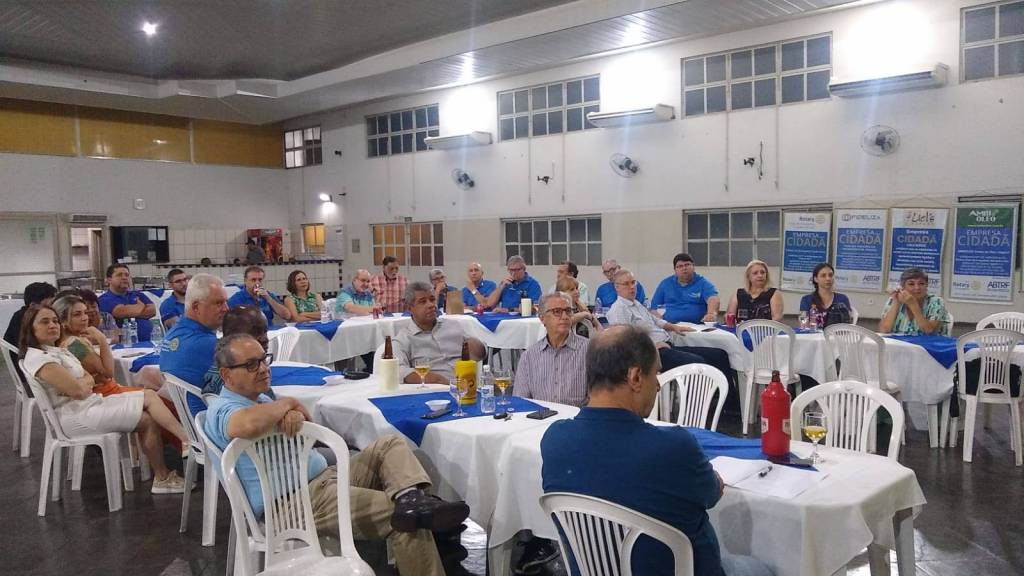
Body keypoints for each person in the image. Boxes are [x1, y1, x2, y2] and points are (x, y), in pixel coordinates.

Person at [205, 333, 469, 576]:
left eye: (264, 360)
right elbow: (245, 425)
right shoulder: (222, 408)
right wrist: (288, 403)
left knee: (389, 445)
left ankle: (413, 499)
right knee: (404, 517)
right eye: (251, 365)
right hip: (292, 503)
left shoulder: (261, 400)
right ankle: (426, 525)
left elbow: (309, 427)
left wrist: (292, 410)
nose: (263, 368)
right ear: (227, 375)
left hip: (324, 480)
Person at [541, 326, 773, 576]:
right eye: (656, 374)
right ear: (635, 377)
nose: (659, 386)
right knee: (760, 568)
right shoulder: (674, 447)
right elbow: (712, 493)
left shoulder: (554, 440)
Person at [19, 304, 189, 494]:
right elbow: (98, 378)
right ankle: (171, 463)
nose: (53, 325)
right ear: (31, 328)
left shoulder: (57, 350)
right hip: (80, 413)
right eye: (45, 322)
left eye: (54, 321)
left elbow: (88, 379)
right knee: (151, 409)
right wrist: (100, 343)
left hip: (90, 402)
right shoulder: (56, 353)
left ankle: (181, 447)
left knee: (150, 396)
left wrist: (84, 382)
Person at [607, 269, 733, 378]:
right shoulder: (618, 309)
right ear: (617, 287)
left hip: (667, 345)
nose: (632, 287)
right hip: (652, 354)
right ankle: (699, 399)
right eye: (626, 284)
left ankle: (727, 399)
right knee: (698, 363)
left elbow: (656, 320)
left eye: (633, 282)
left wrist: (674, 327)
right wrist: (652, 346)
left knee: (719, 355)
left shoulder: (636, 304)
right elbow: (625, 342)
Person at [160, 273, 229, 415]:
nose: (226, 309)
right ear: (196, 307)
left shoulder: (172, 334)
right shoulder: (209, 345)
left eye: (225, 302)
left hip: (185, 416)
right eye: (219, 303)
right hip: (209, 420)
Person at [52, 294, 143, 398]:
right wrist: (102, 339)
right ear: (62, 321)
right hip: (103, 393)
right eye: (77, 315)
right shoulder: (74, 344)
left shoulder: (66, 341)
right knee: (154, 395)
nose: (85, 318)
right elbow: (108, 373)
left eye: (85, 313)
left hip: (102, 391)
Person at [394, 282, 485, 383]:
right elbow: (397, 371)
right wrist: (436, 379)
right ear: (409, 308)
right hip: (434, 389)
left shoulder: (453, 325)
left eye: (432, 300)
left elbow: (480, 353)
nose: (430, 305)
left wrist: (477, 347)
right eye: (422, 302)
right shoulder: (404, 338)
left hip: (467, 384)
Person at [514, 293, 590, 406]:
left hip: (578, 415)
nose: (564, 316)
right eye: (557, 311)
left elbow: (599, 399)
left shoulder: (589, 351)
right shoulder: (529, 356)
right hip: (540, 416)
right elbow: (520, 401)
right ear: (542, 318)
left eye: (568, 311)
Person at [202, 305, 274, 398]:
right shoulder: (227, 382)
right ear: (232, 338)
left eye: (265, 331)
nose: (265, 339)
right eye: (255, 333)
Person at [3, 281, 57, 383]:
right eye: (49, 305)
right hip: (30, 372)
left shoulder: (22, 315)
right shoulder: (26, 320)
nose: (53, 308)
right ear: (33, 305)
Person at [879, 268, 950, 336]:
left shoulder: (936, 301)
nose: (917, 288)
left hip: (929, 343)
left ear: (926, 286)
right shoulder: (893, 300)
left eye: (921, 283)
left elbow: (929, 331)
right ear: (903, 287)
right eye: (911, 284)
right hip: (901, 343)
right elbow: (884, 330)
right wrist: (896, 301)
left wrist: (913, 304)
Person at [652, 253, 720, 323]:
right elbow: (654, 309)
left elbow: (713, 298)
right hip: (669, 326)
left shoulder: (703, 283)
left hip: (697, 326)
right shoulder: (665, 284)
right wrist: (660, 324)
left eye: (687, 265)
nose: (684, 268)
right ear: (675, 270)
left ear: (693, 266)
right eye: (680, 266)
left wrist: (711, 314)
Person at [98, 263, 157, 342]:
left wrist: (132, 311)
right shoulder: (104, 299)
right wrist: (141, 306)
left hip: (149, 342)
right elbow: (121, 312)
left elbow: (152, 311)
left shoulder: (138, 294)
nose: (124, 278)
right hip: (123, 345)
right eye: (119, 275)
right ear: (109, 280)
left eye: (127, 275)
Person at [227, 266, 293, 325]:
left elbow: (287, 316)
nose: (257, 283)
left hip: (269, 330)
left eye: (260, 280)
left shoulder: (268, 295)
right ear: (245, 281)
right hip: (248, 332)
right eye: (253, 280)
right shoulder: (236, 299)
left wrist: (269, 299)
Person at [799, 263, 853, 328]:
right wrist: (805, 323)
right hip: (813, 333)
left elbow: (848, 324)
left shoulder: (842, 299)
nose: (828, 278)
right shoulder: (806, 300)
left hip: (836, 333)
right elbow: (803, 322)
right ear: (816, 279)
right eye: (823, 276)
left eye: (830, 275)